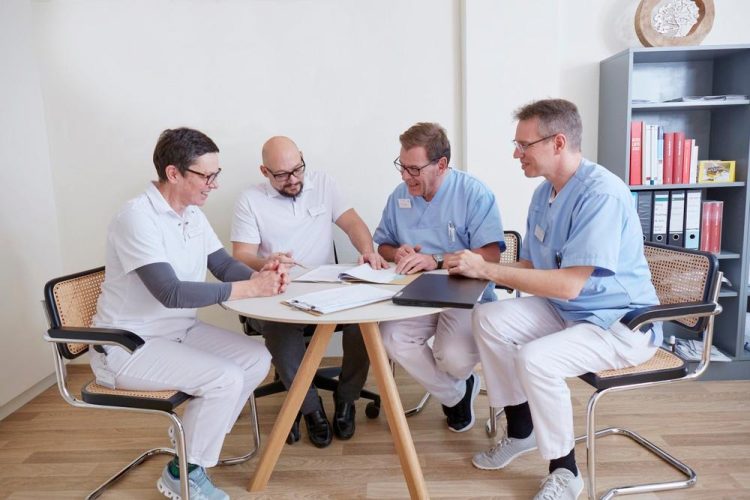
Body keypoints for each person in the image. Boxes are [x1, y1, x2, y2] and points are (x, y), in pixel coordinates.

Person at [445, 99, 661, 500]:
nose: (516, 154)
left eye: (523, 145)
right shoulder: (545, 193)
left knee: (536, 358)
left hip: (620, 324)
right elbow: (533, 265)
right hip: (569, 311)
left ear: (558, 142)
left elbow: (568, 285)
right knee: (489, 318)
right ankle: (521, 431)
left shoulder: (601, 194)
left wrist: (487, 270)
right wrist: (476, 270)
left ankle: (566, 472)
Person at [90, 127, 286, 500]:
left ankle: (190, 447)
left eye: (216, 174)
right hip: (127, 346)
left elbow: (223, 265)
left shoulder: (192, 214)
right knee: (225, 378)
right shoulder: (137, 218)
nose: (214, 184)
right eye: (206, 176)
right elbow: (171, 291)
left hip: (177, 333)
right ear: (174, 173)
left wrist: (261, 278)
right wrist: (249, 289)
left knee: (257, 357)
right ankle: (183, 473)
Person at [231, 136, 388, 448]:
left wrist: (368, 251)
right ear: (264, 171)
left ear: (302, 158)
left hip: (324, 289)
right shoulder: (249, 200)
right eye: (282, 175)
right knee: (279, 328)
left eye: (297, 169)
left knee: (364, 320)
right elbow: (241, 255)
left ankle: (347, 398)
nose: (293, 179)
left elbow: (353, 223)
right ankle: (309, 408)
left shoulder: (323, 184)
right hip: (276, 292)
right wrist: (266, 262)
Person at [373, 122, 504, 432]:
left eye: (414, 169)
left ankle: (455, 383)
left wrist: (437, 260)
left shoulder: (473, 193)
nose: (405, 176)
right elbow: (384, 245)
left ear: (441, 165)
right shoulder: (399, 196)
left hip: (466, 293)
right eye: (401, 166)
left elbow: (491, 255)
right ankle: (457, 393)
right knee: (390, 337)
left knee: (452, 357)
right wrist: (398, 252)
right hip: (416, 293)